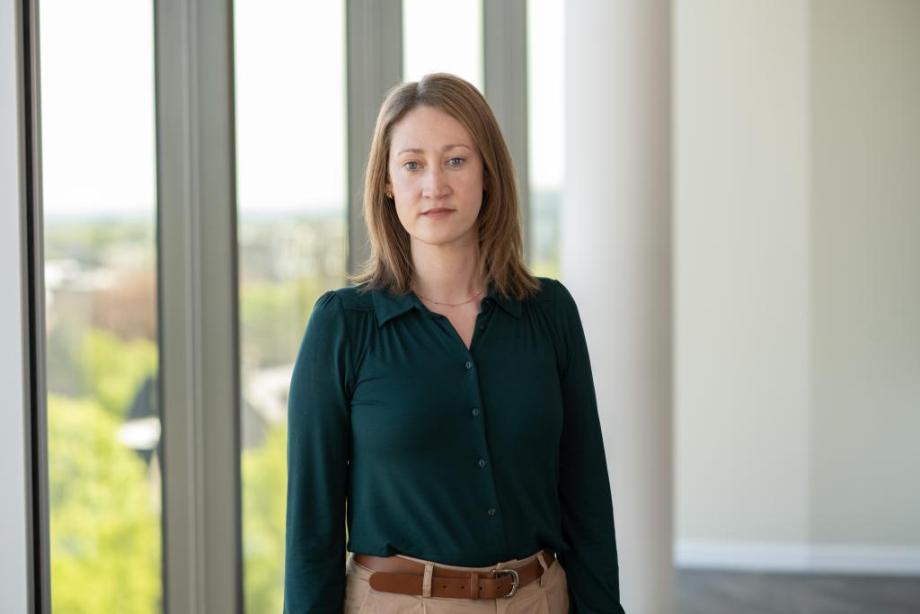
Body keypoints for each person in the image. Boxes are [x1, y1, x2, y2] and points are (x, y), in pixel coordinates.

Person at [283, 72, 625, 613]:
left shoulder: (550, 313)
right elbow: (311, 532)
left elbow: (587, 500)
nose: (434, 185)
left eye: (456, 160)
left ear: (488, 173)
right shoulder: (343, 327)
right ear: (388, 182)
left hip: (539, 600)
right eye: (413, 164)